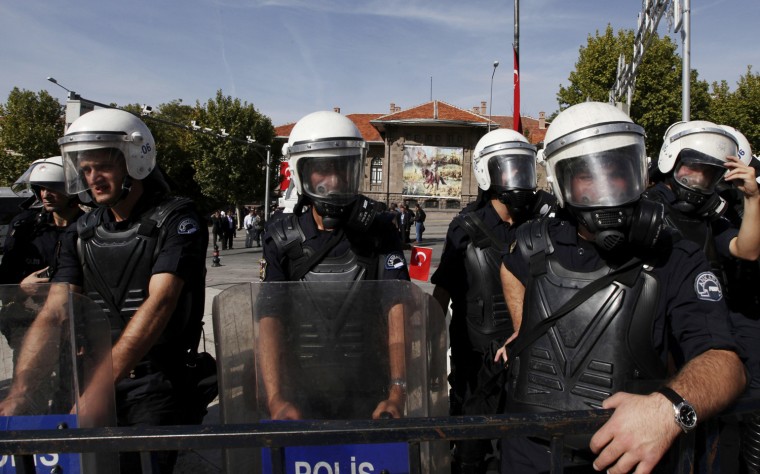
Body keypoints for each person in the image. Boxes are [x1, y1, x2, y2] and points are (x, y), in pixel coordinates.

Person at [497, 102, 746, 474]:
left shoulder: (674, 254)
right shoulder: (536, 241)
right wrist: (523, 326)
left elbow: (726, 364)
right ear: (563, 182)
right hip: (529, 450)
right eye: (589, 176)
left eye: (618, 173)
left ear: (638, 172)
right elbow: (509, 269)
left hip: (626, 455)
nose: (607, 187)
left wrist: (668, 409)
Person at [0, 109, 213, 474]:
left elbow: (160, 302)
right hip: (91, 376)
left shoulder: (177, 220)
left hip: (155, 381)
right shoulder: (81, 231)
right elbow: (55, 313)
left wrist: (98, 389)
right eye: (85, 169)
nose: (93, 178)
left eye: (102, 167)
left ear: (136, 160)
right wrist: (20, 393)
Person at [257, 110, 410, 421]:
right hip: (300, 394)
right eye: (323, 169)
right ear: (302, 172)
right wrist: (275, 399)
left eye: (343, 168)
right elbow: (268, 319)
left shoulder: (380, 233)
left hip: (370, 392)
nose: (335, 180)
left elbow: (399, 311)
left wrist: (397, 393)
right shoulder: (282, 237)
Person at [430, 128, 555, 474]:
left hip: (530, 363)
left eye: (523, 167)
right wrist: (426, 353)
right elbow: (441, 293)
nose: (518, 177)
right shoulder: (464, 229)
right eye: (509, 168)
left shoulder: (543, 225)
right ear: (488, 172)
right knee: (471, 452)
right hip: (476, 367)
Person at [644, 121, 760, 472]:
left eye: (708, 174)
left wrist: (753, 197)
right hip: (653, 339)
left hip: (698, 335)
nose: (697, 180)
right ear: (671, 162)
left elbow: (748, 249)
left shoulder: (711, 217)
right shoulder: (647, 208)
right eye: (691, 169)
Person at [0, 156, 85, 355]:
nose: (46, 194)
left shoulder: (90, 227)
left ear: (72, 189)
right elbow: (6, 278)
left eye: (53, 187)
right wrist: (22, 287)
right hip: (30, 323)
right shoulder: (26, 227)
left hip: (75, 324)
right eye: (41, 187)